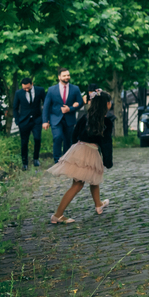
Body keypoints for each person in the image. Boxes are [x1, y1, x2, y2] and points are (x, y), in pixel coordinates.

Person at [47, 92, 114, 224]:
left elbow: (74, 134)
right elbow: (106, 143)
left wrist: (74, 150)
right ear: (106, 104)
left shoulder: (85, 117)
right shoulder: (106, 122)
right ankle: (57, 215)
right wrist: (108, 161)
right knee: (77, 184)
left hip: (78, 148)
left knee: (94, 177)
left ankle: (98, 204)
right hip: (90, 151)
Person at [42, 68, 83, 163]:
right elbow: (46, 106)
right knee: (57, 137)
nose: (67, 77)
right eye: (64, 76)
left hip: (69, 119)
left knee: (68, 140)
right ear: (59, 77)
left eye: (68, 75)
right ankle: (57, 160)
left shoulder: (75, 89)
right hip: (55, 118)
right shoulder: (52, 90)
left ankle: (66, 160)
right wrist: (45, 121)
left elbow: (80, 102)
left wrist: (70, 108)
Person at [14, 77, 45, 170]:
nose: (26, 90)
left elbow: (46, 103)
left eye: (28, 88)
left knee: (37, 139)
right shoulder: (18, 93)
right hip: (24, 121)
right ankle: (25, 163)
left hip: (37, 120)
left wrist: (44, 119)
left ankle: (36, 158)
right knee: (24, 142)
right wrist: (17, 121)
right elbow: (15, 108)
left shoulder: (40, 90)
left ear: (32, 84)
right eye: (24, 88)